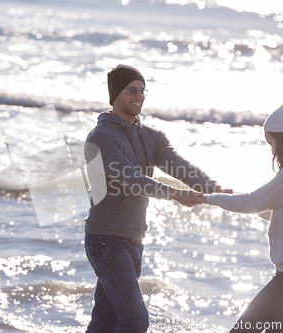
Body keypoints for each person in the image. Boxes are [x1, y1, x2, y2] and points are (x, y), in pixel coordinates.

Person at [83, 64, 230, 333]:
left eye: (142, 90)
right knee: (136, 322)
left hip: (134, 240)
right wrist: (174, 194)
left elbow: (179, 165)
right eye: (131, 90)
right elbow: (131, 178)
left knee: (105, 322)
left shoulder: (151, 137)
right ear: (115, 95)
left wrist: (214, 188)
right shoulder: (101, 138)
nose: (138, 95)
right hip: (106, 241)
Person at [197, 101, 283, 333]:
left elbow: (253, 201)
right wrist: (230, 200)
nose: (272, 150)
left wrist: (207, 198)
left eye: (271, 142)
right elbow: (277, 211)